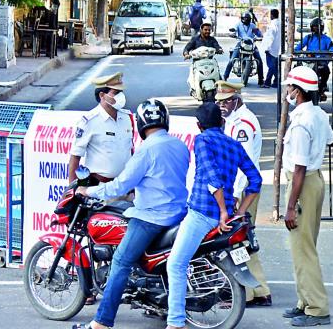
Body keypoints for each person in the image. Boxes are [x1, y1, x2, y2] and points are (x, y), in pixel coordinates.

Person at [74, 99, 190, 329]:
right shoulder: (179, 146)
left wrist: (88, 190)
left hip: (151, 218)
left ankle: (102, 322)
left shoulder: (146, 151)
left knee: (120, 261)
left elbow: (119, 186)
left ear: (140, 123)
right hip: (179, 213)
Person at [165, 103, 262, 329]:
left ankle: (175, 322)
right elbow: (255, 180)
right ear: (222, 122)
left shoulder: (202, 141)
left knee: (176, 264)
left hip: (202, 214)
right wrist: (239, 211)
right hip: (222, 214)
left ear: (199, 125)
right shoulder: (233, 144)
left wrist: (223, 211)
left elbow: (212, 177)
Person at [68, 72, 134, 305]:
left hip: (125, 188)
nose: (120, 97)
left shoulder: (128, 118)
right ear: (102, 95)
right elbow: (75, 158)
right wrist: (72, 189)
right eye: (115, 93)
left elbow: (132, 152)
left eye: (121, 92)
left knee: (124, 238)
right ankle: (91, 289)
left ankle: (120, 284)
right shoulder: (89, 121)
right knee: (98, 239)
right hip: (100, 188)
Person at [280, 66, 333, 327]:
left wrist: (291, 206)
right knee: (303, 245)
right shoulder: (318, 115)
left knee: (303, 249)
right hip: (314, 181)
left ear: (298, 91)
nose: (287, 91)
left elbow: (299, 167)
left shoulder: (302, 122)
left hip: (302, 183)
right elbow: (331, 140)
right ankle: (304, 301)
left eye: (290, 87)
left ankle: (316, 307)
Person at [216, 80, 272, 306]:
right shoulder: (233, 121)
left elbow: (243, 163)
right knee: (243, 240)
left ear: (237, 99)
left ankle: (247, 291)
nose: (221, 105)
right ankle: (259, 289)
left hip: (244, 190)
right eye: (219, 101)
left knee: (237, 240)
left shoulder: (243, 124)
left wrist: (237, 194)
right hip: (242, 189)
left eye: (226, 101)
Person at [295, 18, 333, 100]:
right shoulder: (308, 38)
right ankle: (295, 89)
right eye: (314, 27)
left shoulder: (326, 39)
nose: (316, 28)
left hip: (321, 62)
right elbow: (298, 48)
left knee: (326, 71)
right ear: (311, 28)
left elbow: (332, 49)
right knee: (296, 69)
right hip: (308, 61)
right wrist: (298, 53)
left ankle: (321, 89)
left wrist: (331, 53)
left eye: (318, 27)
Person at [223, 12, 264, 86]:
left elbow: (258, 33)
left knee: (259, 60)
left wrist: (259, 35)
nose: (246, 20)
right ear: (242, 19)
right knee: (232, 59)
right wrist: (233, 33)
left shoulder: (252, 25)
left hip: (251, 44)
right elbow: (234, 30)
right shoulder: (238, 24)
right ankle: (225, 77)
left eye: (247, 19)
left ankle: (261, 80)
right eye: (244, 18)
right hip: (241, 43)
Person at [261, 9, 281, 88]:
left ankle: (270, 82)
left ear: (272, 15)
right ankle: (274, 82)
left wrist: (267, 48)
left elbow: (270, 37)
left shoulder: (273, 25)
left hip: (271, 48)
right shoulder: (279, 23)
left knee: (271, 66)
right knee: (274, 66)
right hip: (277, 48)